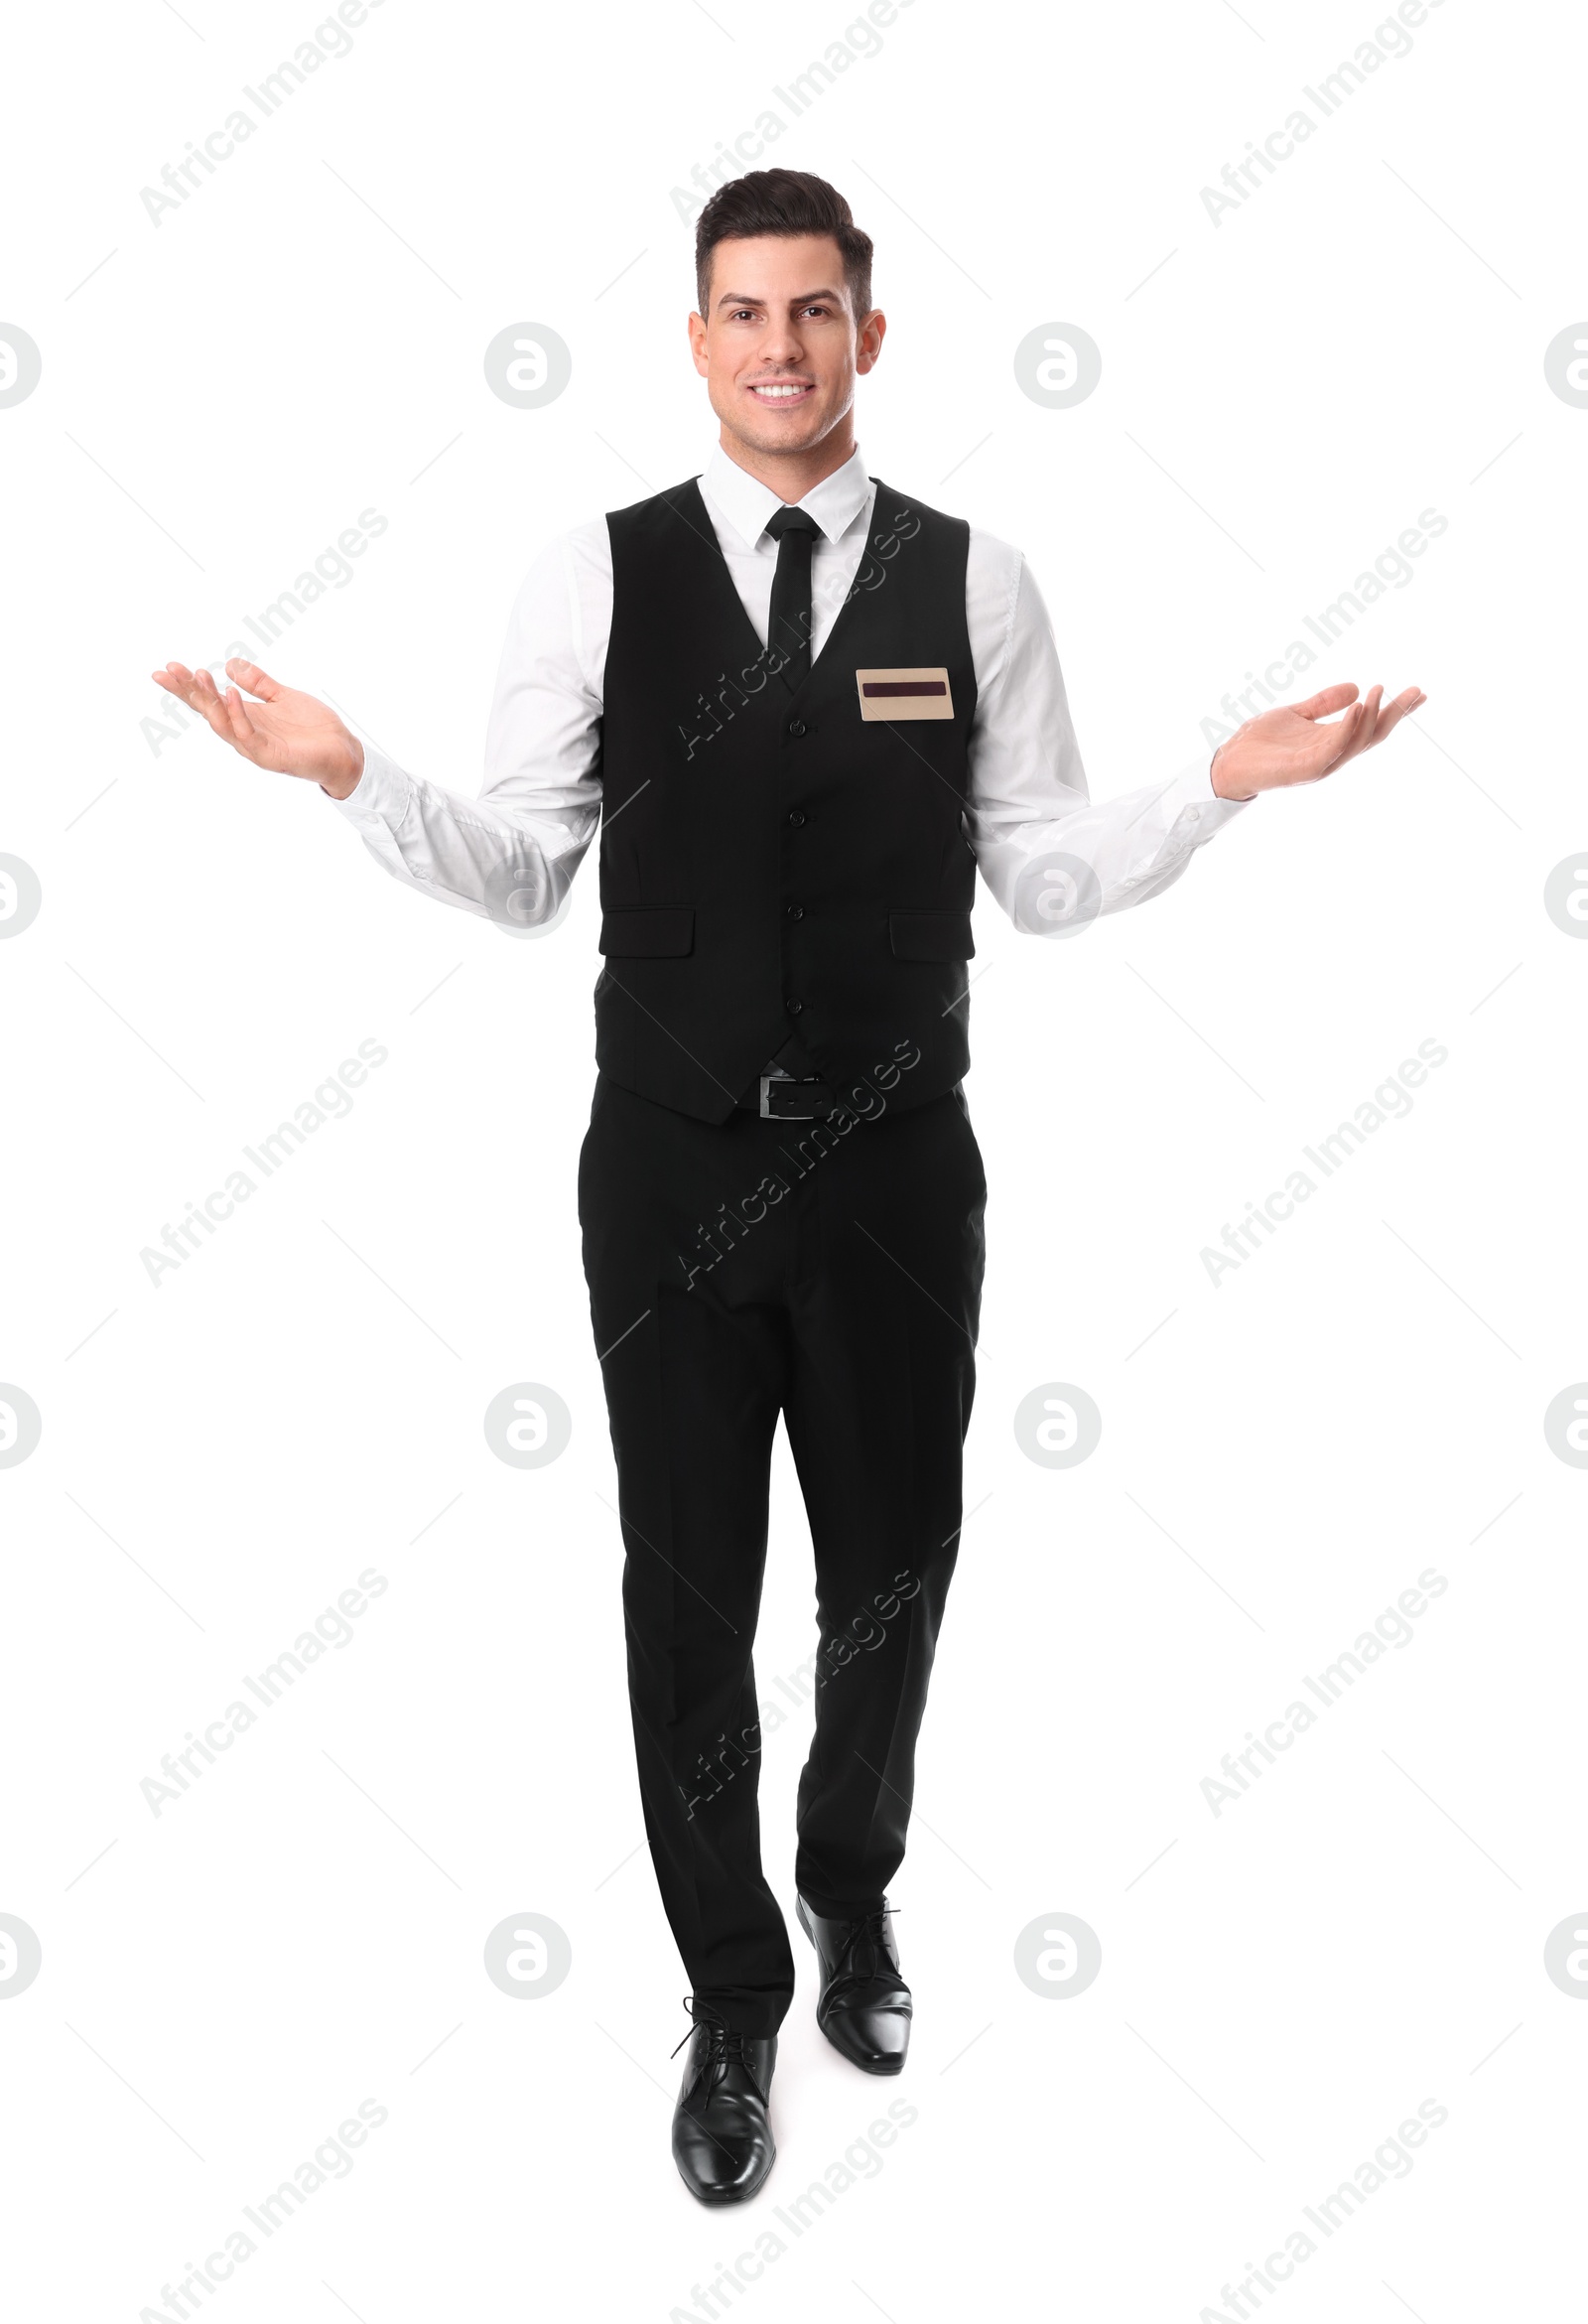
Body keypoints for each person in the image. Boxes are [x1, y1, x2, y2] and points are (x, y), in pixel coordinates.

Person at [152, 168, 1423, 2208]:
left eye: (812, 312)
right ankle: (730, 1992)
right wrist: (345, 774)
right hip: (663, 1176)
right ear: (693, 340)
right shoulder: (594, 572)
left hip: (901, 1181)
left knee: (891, 1576)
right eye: (741, 313)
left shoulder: (972, 580)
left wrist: (1221, 786)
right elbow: (516, 866)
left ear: (867, 334)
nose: (775, 347)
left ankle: (849, 1886)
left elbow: (1044, 873)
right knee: (687, 1594)